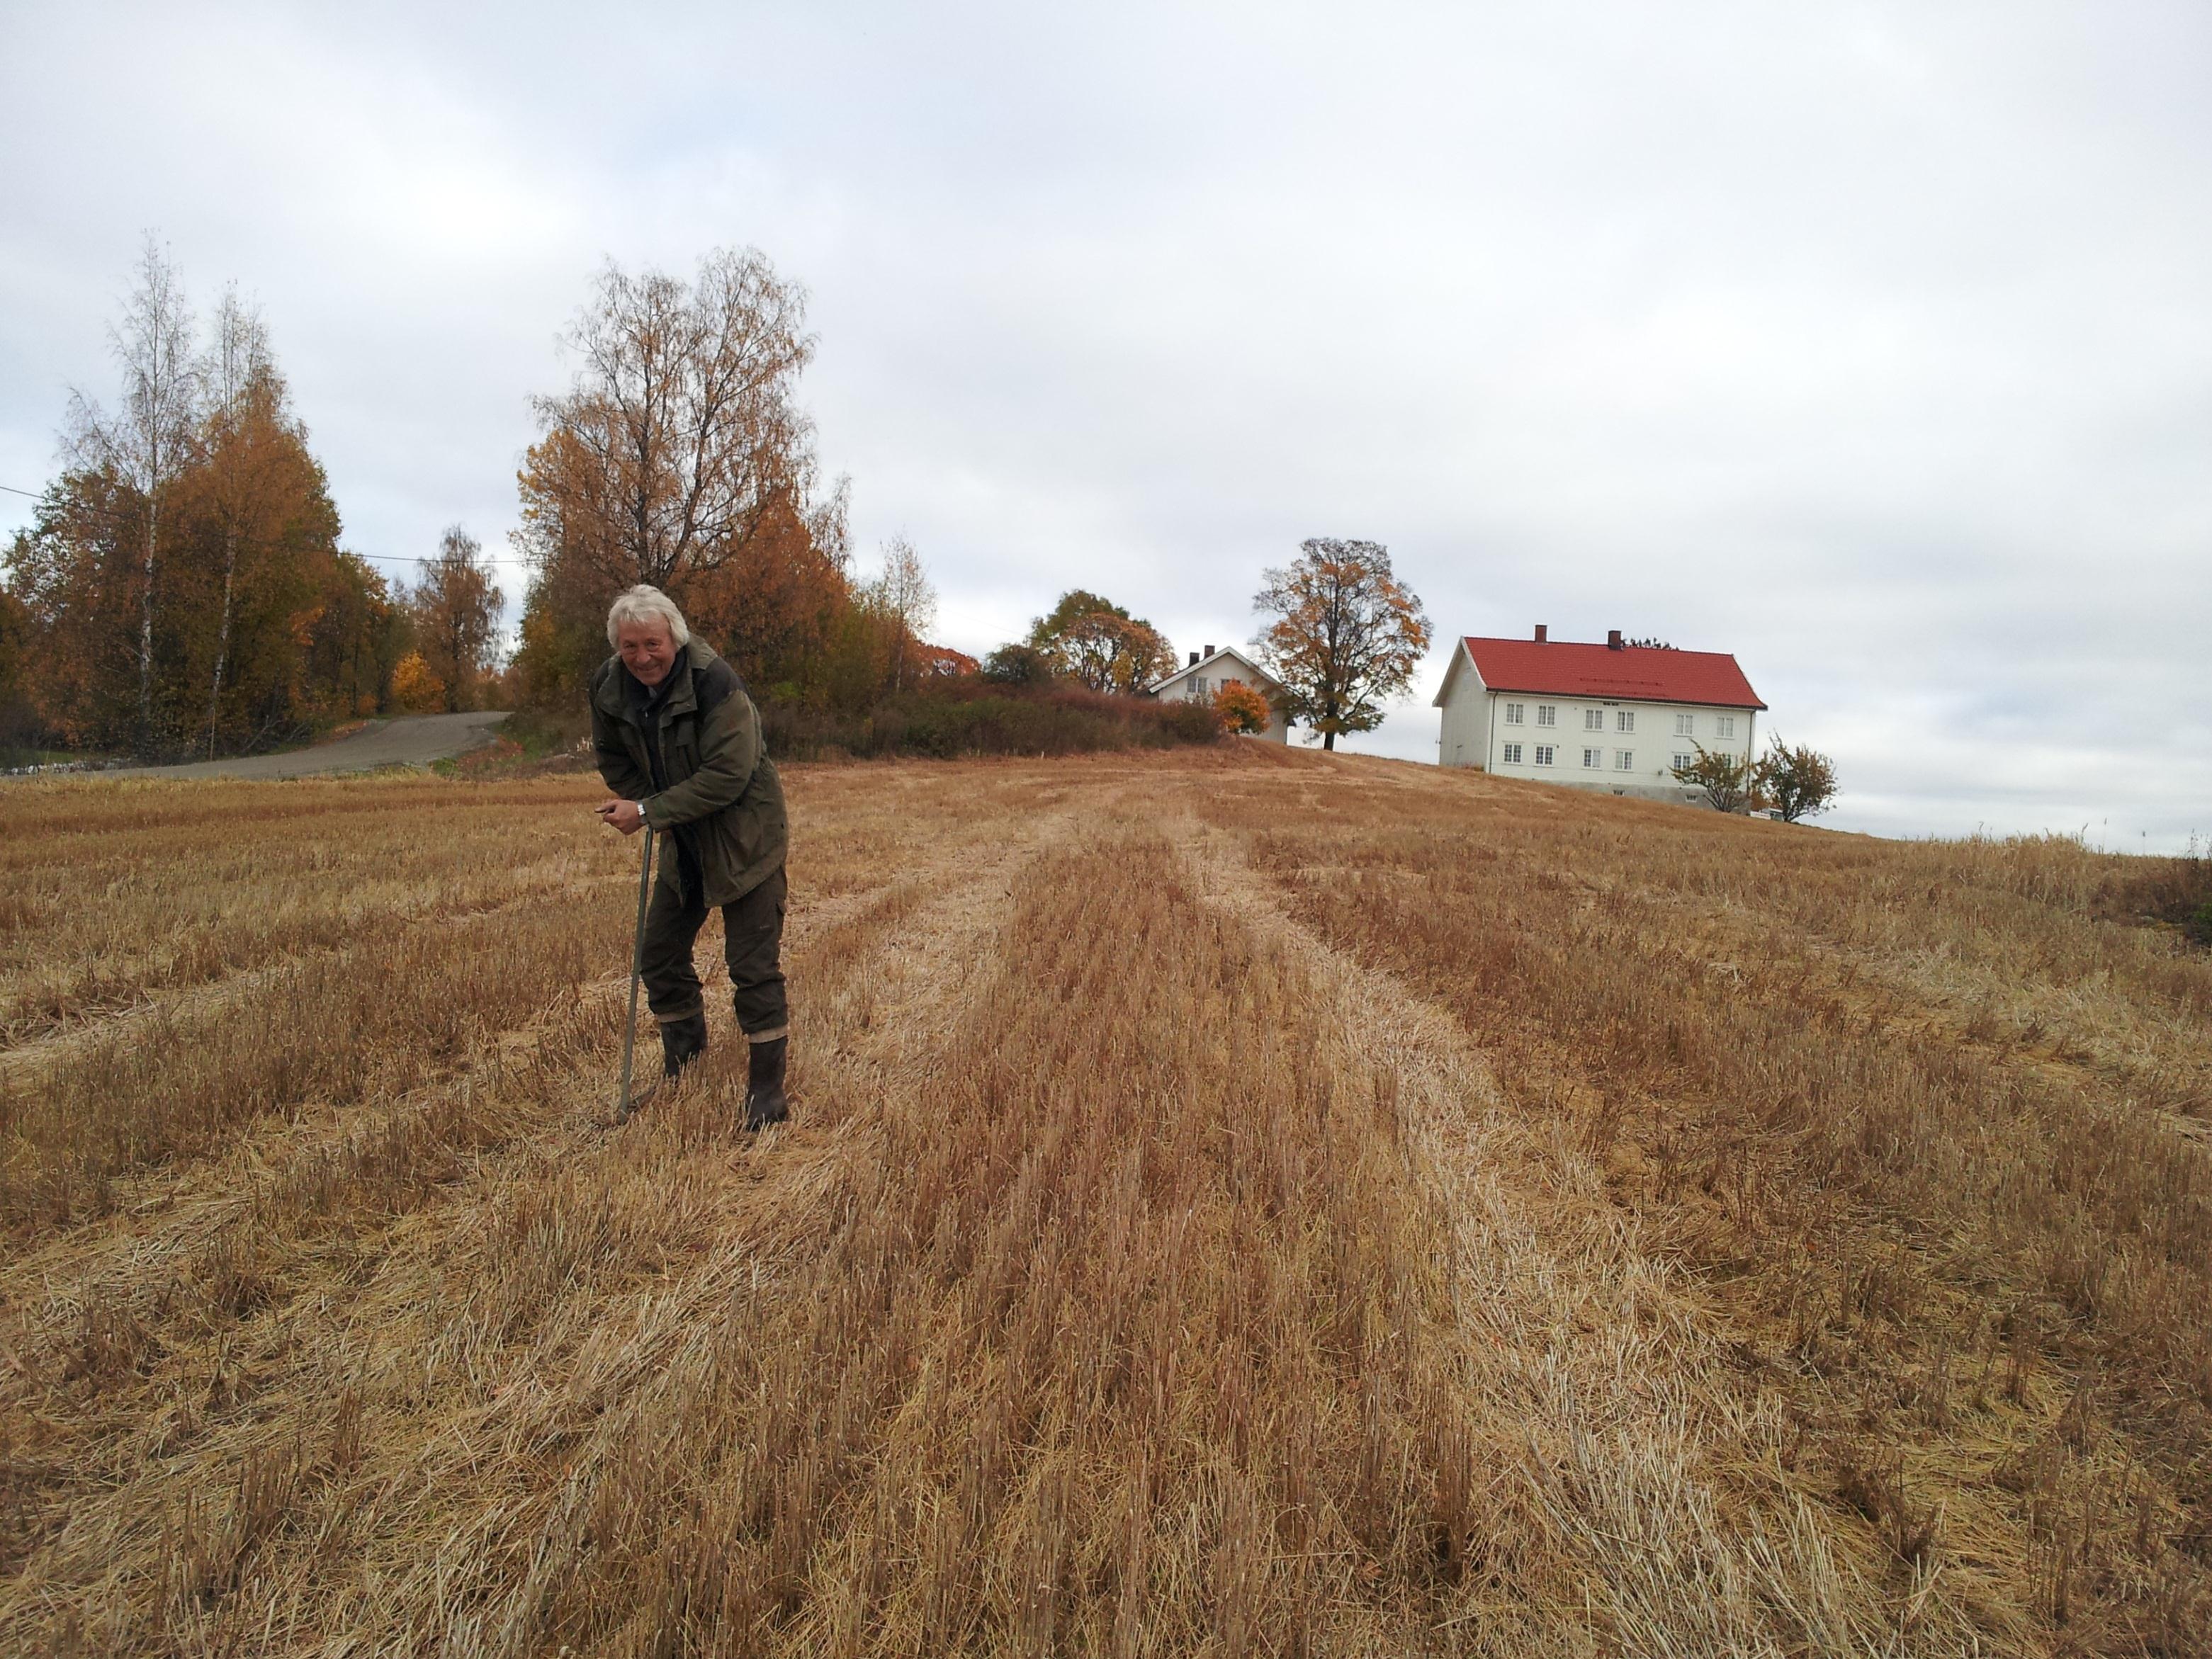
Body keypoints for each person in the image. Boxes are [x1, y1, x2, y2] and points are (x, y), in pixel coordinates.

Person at [589, 584, 791, 1128]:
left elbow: (730, 774)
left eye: (652, 643)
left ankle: (766, 1095)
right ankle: (686, 1067)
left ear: (673, 638)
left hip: (745, 838)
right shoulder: (610, 687)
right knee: (658, 954)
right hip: (683, 838)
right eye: (629, 646)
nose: (642, 657)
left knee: (752, 967)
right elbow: (612, 755)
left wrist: (651, 810)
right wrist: (642, 801)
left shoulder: (715, 682)